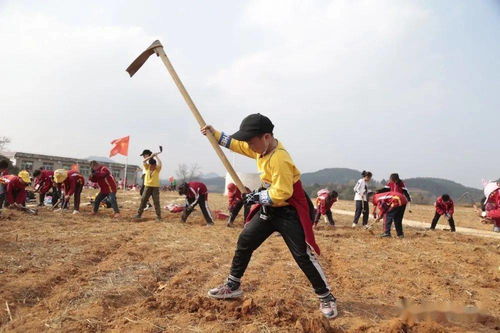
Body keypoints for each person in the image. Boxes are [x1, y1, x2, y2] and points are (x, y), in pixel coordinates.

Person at [201, 113, 337, 319]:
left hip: (288, 210)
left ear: (266, 137)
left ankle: (326, 296)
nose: (249, 145)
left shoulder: (280, 158)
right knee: (245, 240)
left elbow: (283, 193)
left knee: (302, 254)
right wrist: (214, 134)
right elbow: (238, 145)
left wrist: (256, 196)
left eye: (251, 141)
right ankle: (233, 285)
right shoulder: (260, 149)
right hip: (269, 208)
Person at [376, 173, 411, 238]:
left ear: (395, 179)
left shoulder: (401, 184)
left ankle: (387, 233)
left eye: (392, 179)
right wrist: (379, 191)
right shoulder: (390, 183)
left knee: (390, 216)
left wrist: (408, 199)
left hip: (399, 202)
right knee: (396, 218)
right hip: (394, 201)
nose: (391, 180)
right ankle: (400, 234)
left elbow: (406, 192)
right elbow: (385, 189)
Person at [135, 152, 162, 221]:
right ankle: (139, 214)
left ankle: (158, 216)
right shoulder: (147, 167)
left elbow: (160, 163)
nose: (153, 166)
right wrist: (151, 156)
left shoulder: (157, 169)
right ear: (150, 164)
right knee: (143, 200)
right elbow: (144, 161)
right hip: (147, 186)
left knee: (156, 201)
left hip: (155, 187)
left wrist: (156, 156)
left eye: (154, 165)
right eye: (152, 165)